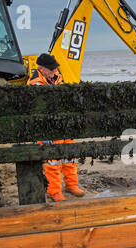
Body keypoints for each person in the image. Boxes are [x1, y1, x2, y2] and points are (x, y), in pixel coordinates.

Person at [27, 54, 85, 202]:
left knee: (69, 156)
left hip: (64, 125)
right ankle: (54, 192)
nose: (54, 71)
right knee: (52, 161)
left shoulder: (57, 78)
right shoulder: (35, 84)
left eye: (55, 68)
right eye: (51, 69)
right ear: (41, 68)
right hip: (47, 128)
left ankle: (72, 185)